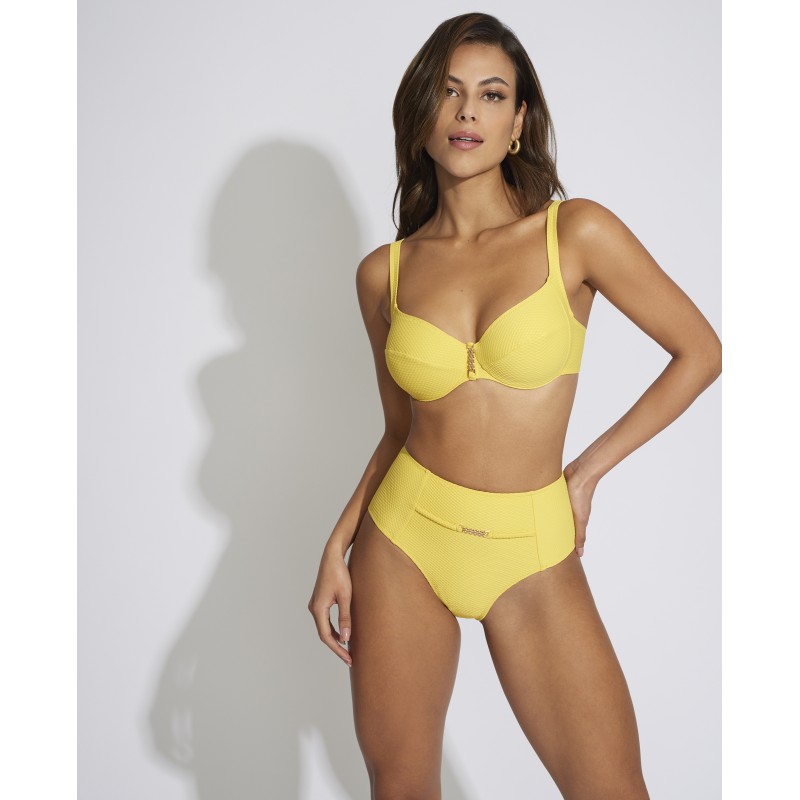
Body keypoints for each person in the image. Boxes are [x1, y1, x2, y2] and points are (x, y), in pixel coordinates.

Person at [308, 11, 721, 799]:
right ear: (422, 111)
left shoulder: (577, 233)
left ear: (519, 120)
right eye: (449, 92)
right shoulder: (383, 274)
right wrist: (338, 544)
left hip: (531, 548)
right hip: (403, 542)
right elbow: (399, 429)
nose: (468, 111)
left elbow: (700, 352)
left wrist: (585, 473)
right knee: (401, 789)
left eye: (492, 94)